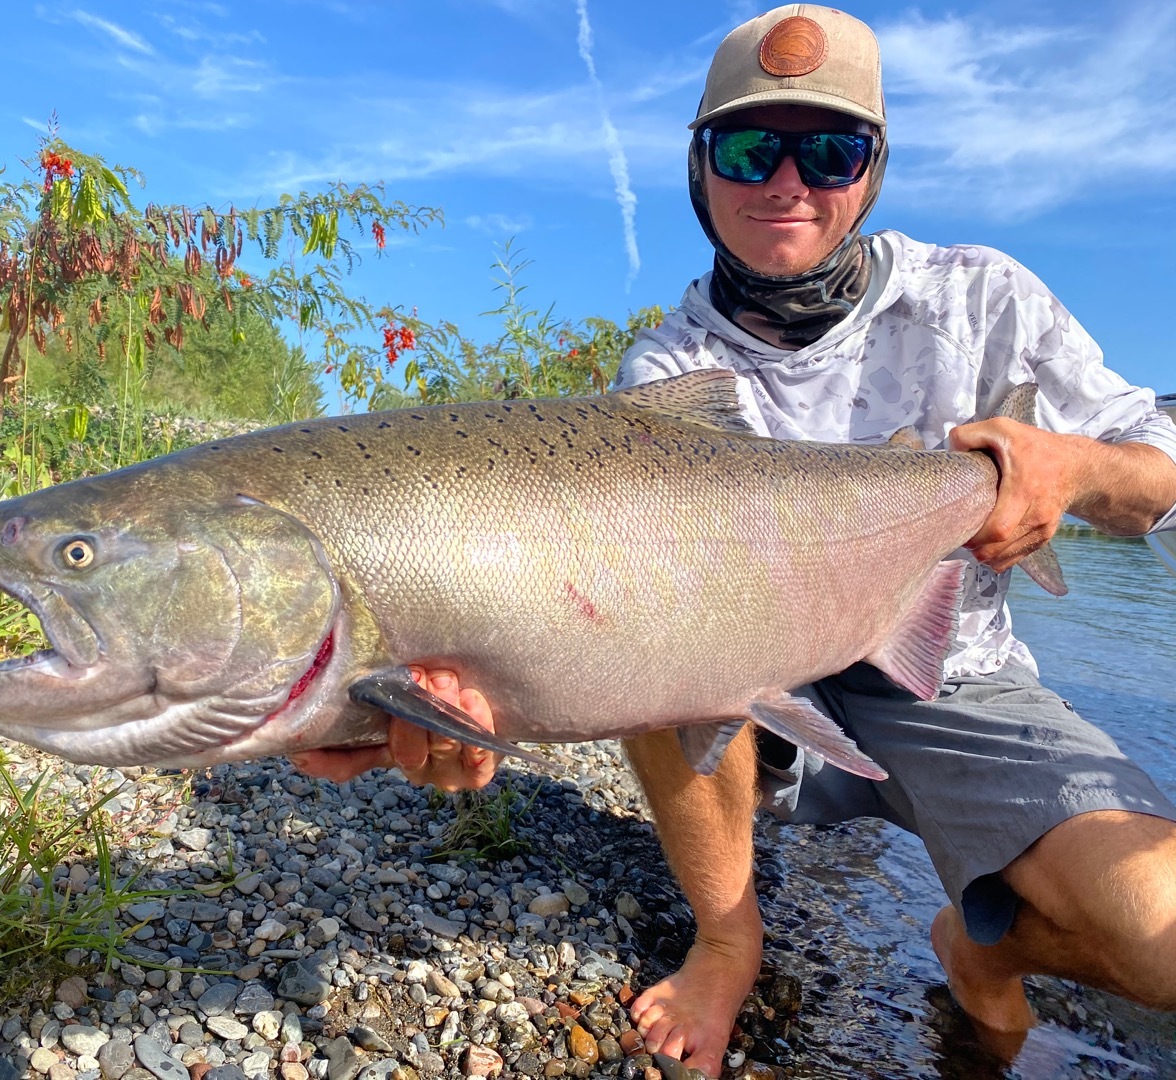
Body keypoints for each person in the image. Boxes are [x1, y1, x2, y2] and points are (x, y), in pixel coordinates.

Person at [292, 5, 1176, 1075]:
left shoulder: (981, 297)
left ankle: (975, 948)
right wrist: (439, 694)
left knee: (1159, 937)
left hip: (956, 674)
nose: (787, 182)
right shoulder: (667, 373)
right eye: (751, 147)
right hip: (739, 663)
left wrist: (1070, 469)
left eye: (830, 149)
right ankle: (728, 938)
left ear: (873, 170)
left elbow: (1157, 479)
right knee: (647, 616)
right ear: (701, 168)